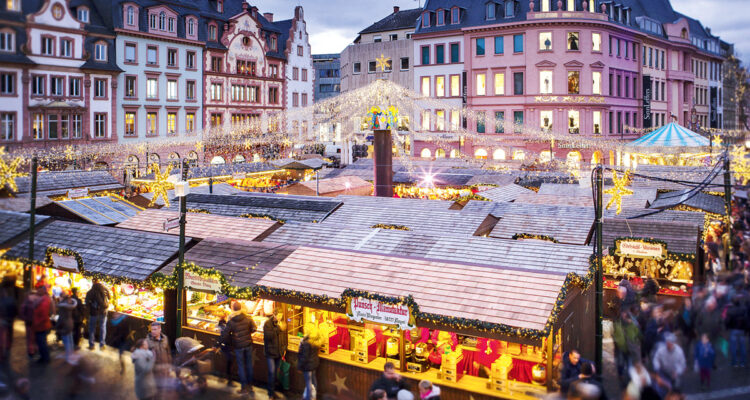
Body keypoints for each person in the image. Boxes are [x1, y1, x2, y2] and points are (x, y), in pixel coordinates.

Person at [220, 301, 256, 395]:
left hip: (238, 346)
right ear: (241, 308)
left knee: (241, 367)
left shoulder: (231, 321)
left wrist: (220, 343)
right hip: (248, 344)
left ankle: (244, 388)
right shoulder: (248, 318)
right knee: (249, 365)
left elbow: (225, 334)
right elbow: (254, 329)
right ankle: (250, 386)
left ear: (233, 309)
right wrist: (247, 334)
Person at [85, 279, 111, 350]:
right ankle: (102, 345)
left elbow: (86, 303)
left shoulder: (90, 292)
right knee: (103, 327)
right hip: (104, 312)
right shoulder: (105, 289)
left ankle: (91, 345)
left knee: (92, 328)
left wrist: (89, 309)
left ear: (93, 282)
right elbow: (110, 297)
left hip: (93, 313)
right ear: (99, 281)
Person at [31, 285, 54, 364]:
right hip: (41, 325)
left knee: (42, 343)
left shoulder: (44, 300)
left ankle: (45, 359)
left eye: (38, 290)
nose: (37, 291)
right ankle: (44, 357)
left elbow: (43, 314)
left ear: (43, 291)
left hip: (42, 325)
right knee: (41, 342)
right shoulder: (42, 299)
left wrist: (36, 323)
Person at [263, 313, 283, 399]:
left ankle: (273, 390)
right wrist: (278, 328)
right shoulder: (267, 323)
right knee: (271, 372)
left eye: (281, 316)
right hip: (270, 352)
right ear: (274, 315)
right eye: (278, 316)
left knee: (275, 373)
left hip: (278, 352)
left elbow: (283, 337)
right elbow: (268, 336)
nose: (280, 318)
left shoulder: (280, 323)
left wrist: (283, 348)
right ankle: (270, 393)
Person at [725, 295, 748, 367]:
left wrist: (727, 327)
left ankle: (734, 362)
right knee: (742, 346)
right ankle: (743, 362)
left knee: (733, 347)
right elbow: (746, 319)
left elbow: (727, 321)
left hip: (733, 329)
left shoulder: (730, 310)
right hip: (741, 330)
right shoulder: (744, 309)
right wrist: (746, 329)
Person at [297, 331, 320, 400]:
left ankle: (308, 398)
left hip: (307, 366)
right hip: (314, 364)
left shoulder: (306, 342)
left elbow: (304, 357)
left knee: (308, 383)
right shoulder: (315, 340)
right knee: (314, 381)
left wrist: (299, 367)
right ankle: (314, 397)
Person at [55, 291, 77, 360]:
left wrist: (57, 326)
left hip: (65, 324)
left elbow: (61, 318)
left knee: (66, 340)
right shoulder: (70, 303)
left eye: (60, 297)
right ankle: (71, 353)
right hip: (70, 323)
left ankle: (69, 356)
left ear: (62, 297)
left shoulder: (62, 306)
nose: (59, 298)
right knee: (70, 339)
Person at [0, 276, 17, 364]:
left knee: (4, 335)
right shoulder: (11, 293)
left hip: (6, 318)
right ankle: (5, 350)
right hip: (7, 318)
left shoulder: (8, 292)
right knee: (6, 335)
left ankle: (5, 351)